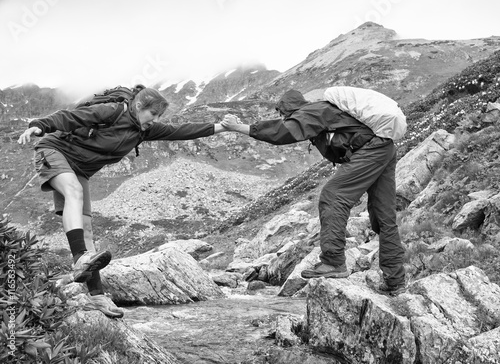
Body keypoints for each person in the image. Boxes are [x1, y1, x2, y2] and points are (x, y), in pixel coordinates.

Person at [18, 85, 228, 317]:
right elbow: (70, 117)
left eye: (158, 117)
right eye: (153, 114)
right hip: (54, 150)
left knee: (87, 229)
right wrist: (39, 126)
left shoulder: (143, 130)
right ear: (139, 106)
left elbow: (180, 130)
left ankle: (97, 296)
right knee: (74, 192)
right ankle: (79, 259)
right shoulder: (112, 110)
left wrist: (220, 127)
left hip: (81, 169)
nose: (155, 120)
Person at [221, 89, 406, 296]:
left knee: (333, 196)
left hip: (372, 150)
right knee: (383, 216)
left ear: (288, 111)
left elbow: (280, 133)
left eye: (284, 116)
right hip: (384, 148)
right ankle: (395, 280)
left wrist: (238, 127)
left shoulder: (312, 111)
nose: (284, 119)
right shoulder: (321, 111)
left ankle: (333, 262)